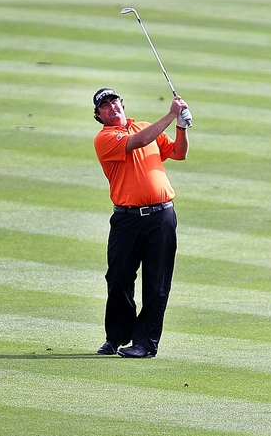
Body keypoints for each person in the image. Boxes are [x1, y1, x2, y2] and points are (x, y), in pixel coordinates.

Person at [92, 87, 191, 358]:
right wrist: (171, 115)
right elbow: (138, 141)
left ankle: (145, 344)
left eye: (114, 101)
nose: (112, 107)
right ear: (98, 115)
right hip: (127, 219)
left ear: (122, 103)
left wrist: (182, 127)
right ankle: (116, 337)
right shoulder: (105, 138)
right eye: (104, 106)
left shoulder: (146, 126)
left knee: (157, 282)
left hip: (162, 217)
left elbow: (179, 153)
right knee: (119, 278)